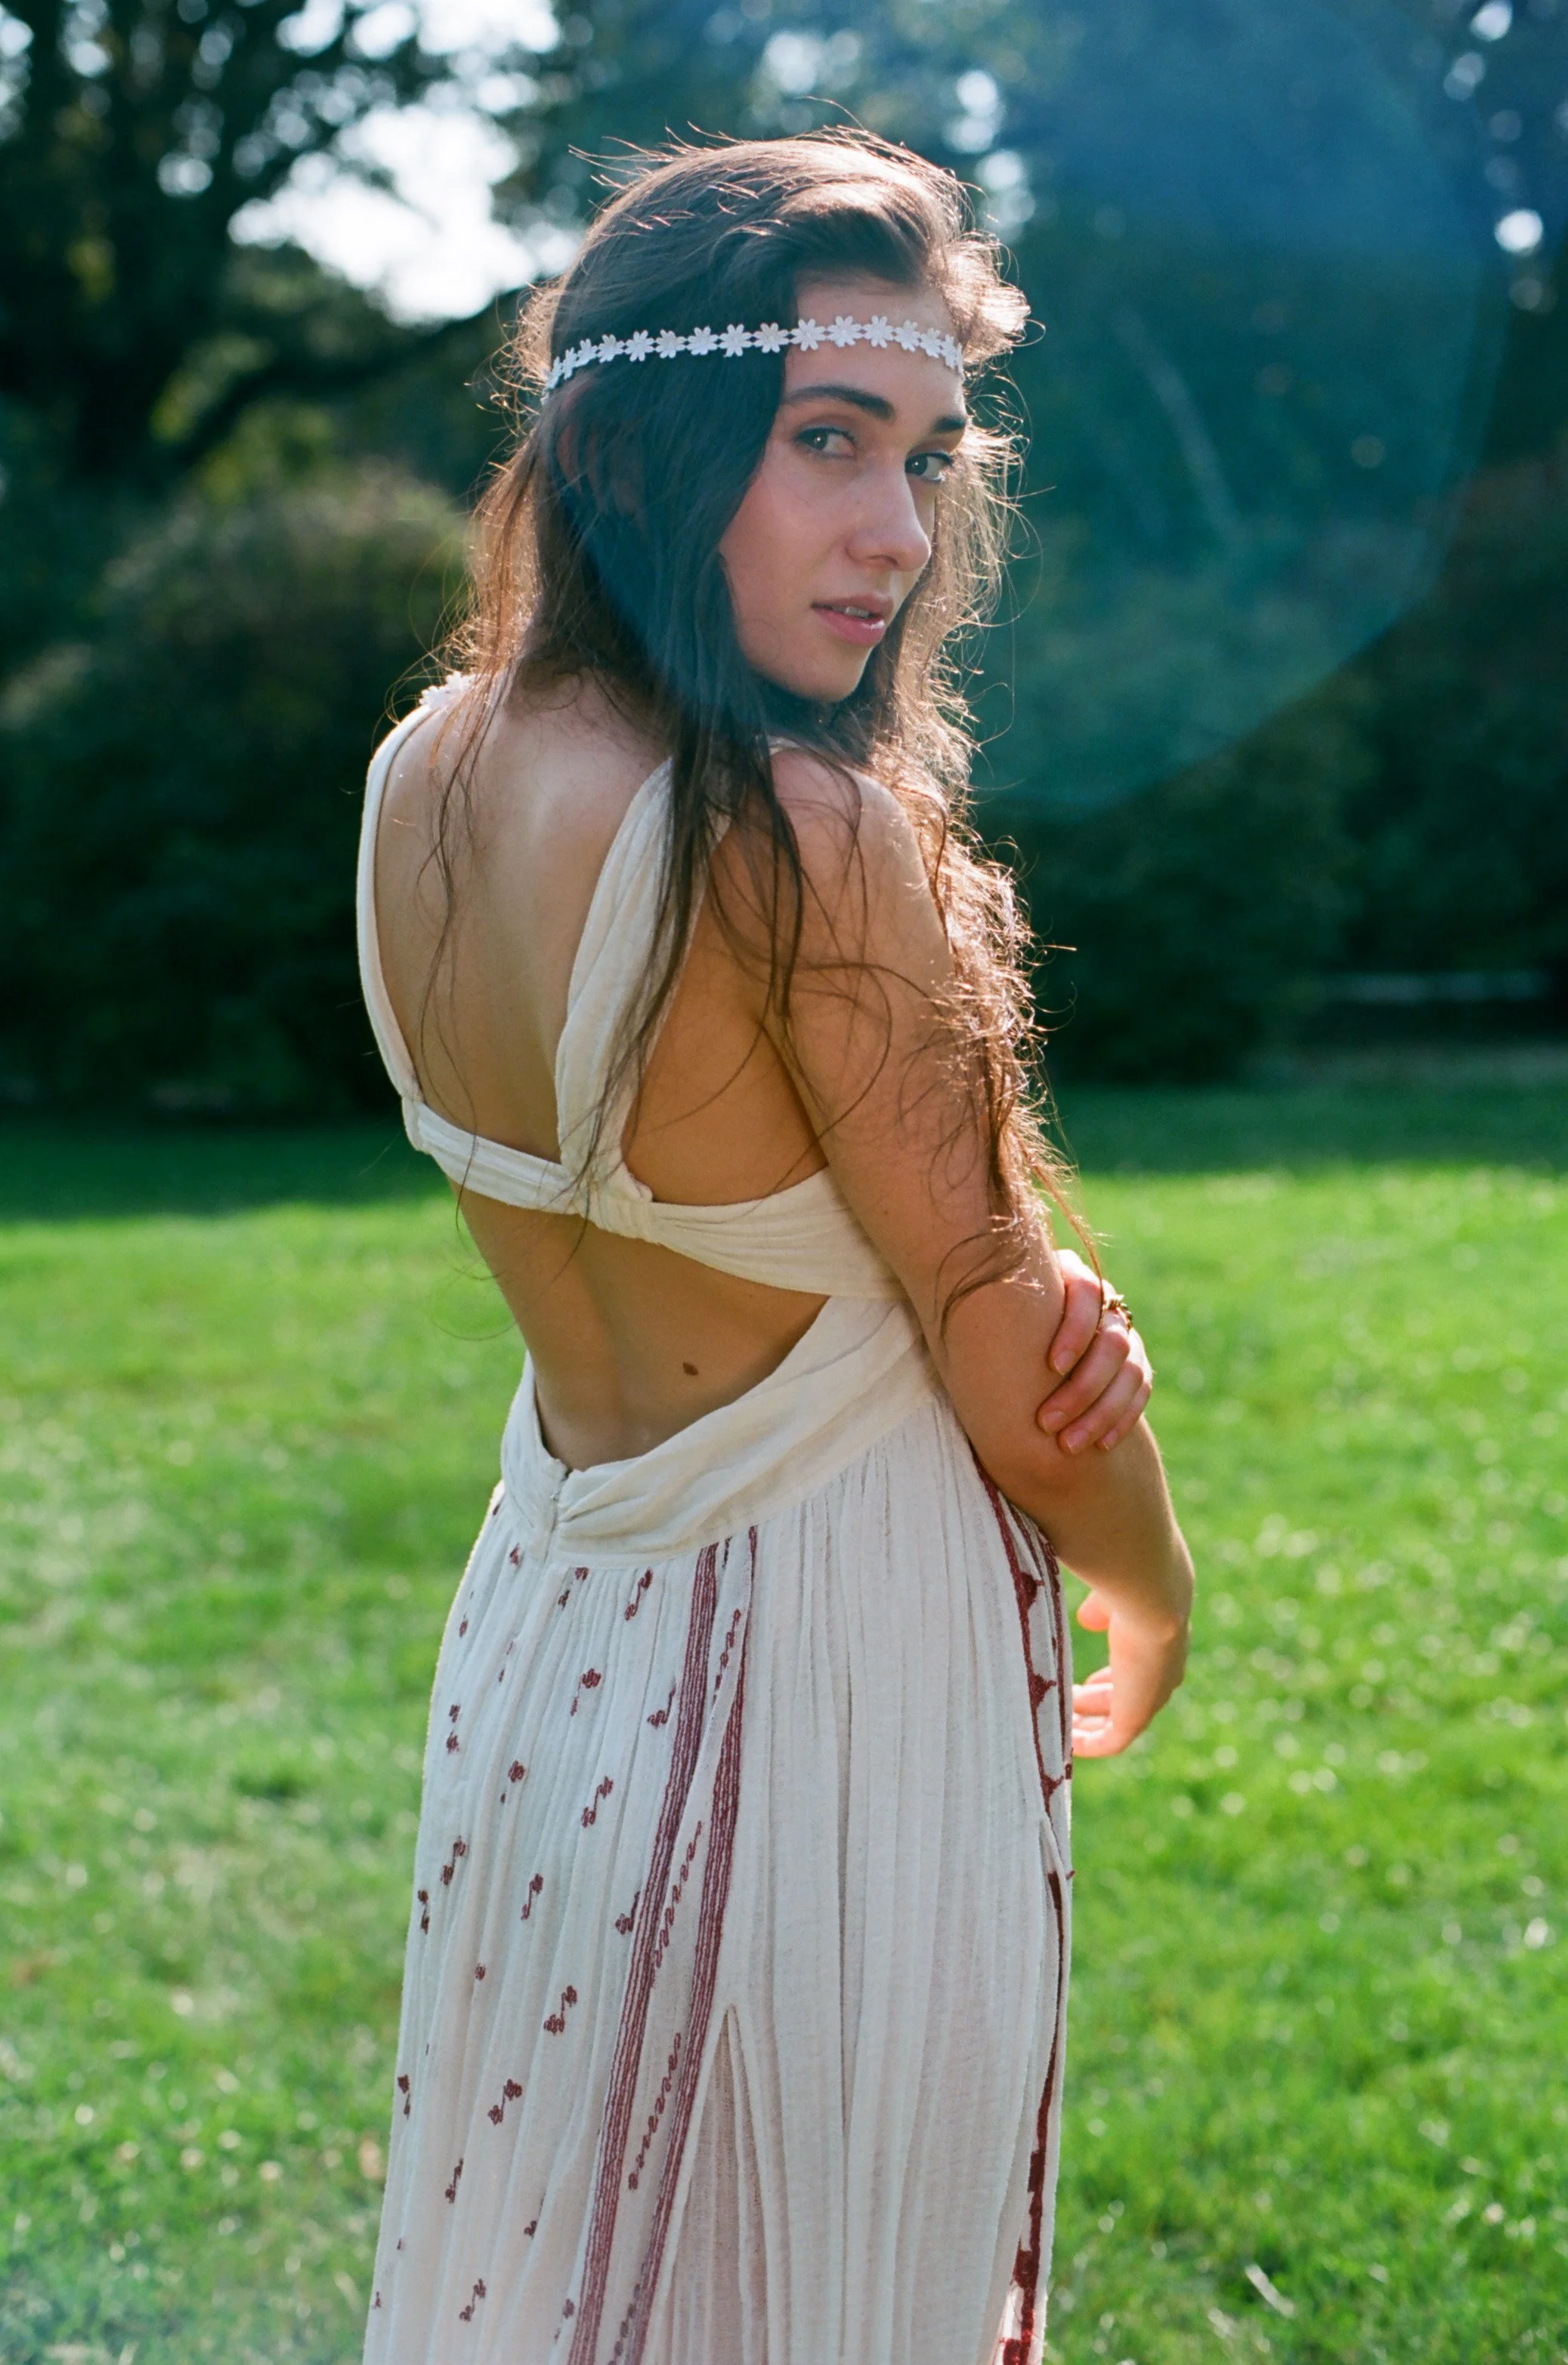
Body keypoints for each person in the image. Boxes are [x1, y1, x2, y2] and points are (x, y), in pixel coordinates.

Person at [354, 129, 1192, 2365]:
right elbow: (1007, 1334)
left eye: (927, 455)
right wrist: (1153, 1585)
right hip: (822, 1678)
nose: (897, 533)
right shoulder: (795, 831)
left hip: (552, 1657)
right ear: (629, 445)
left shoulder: (425, 774)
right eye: (827, 441)